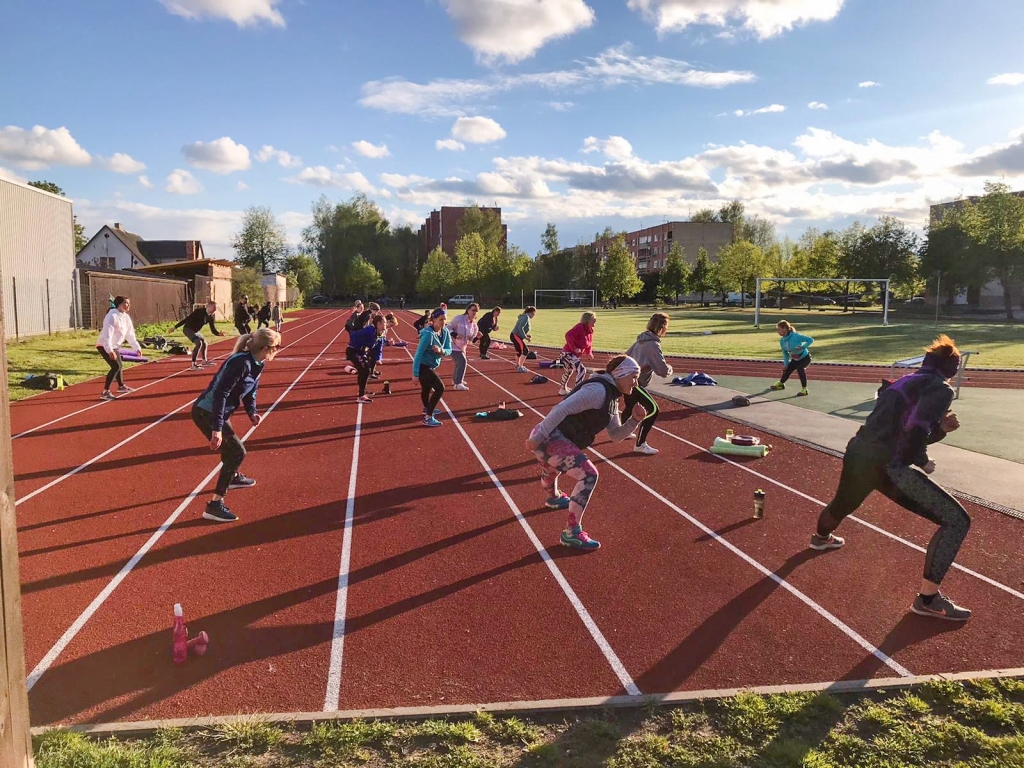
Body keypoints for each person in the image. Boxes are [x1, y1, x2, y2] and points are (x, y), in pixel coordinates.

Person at [810, 335, 972, 621]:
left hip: (858, 452)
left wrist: (941, 430)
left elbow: (898, 428)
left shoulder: (903, 382)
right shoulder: (940, 389)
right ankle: (928, 600)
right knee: (957, 521)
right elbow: (916, 429)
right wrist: (923, 460)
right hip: (889, 466)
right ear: (950, 368)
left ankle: (821, 538)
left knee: (843, 503)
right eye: (956, 367)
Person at [525, 355, 647, 550]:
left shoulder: (611, 397)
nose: (636, 382)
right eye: (633, 376)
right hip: (548, 437)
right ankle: (571, 533)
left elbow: (615, 435)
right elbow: (561, 408)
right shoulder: (598, 391)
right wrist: (538, 438)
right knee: (588, 475)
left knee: (553, 467)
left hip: (550, 439)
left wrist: (634, 420)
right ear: (620, 374)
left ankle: (554, 497)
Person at [191, 327, 281, 522]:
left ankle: (231, 476)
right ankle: (214, 505)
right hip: (206, 412)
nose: (278, 350)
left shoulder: (258, 363)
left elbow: (251, 390)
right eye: (276, 347)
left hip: (219, 413)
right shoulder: (241, 363)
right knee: (237, 452)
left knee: (232, 452)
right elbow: (220, 394)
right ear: (265, 348)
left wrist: (252, 412)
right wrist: (216, 428)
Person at [624, 313, 674, 455]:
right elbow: (662, 371)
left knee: (630, 407)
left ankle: (623, 431)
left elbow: (625, 356)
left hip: (626, 379)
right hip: (635, 382)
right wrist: (669, 368)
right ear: (663, 327)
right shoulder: (652, 344)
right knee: (653, 410)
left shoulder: (641, 339)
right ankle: (640, 444)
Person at [96, 296, 142, 401]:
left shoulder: (126, 317)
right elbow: (107, 334)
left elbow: (130, 334)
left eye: (129, 303)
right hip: (104, 345)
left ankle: (121, 386)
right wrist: (110, 350)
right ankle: (105, 392)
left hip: (115, 346)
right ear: (119, 304)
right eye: (126, 303)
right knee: (116, 366)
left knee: (119, 366)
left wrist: (136, 347)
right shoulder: (112, 316)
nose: (128, 305)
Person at [412, 308, 452, 427]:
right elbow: (418, 354)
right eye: (440, 319)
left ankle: (426, 408)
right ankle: (428, 417)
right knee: (440, 388)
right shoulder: (428, 335)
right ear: (433, 320)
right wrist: (415, 374)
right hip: (423, 366)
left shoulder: (445, 332)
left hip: (431, 365)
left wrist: (441, 351)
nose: (443, 322)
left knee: (426, 388)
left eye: (444, 319)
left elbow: (449, 349)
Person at [173, 301, 225, 370]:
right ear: (208, 307)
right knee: (198, 343)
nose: (215, 309)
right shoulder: (199, 312)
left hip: (196, 331)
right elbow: (186, 319)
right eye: (214, 307)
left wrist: (218, 333)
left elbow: (212, 328)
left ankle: (204, 361)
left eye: (216, 308)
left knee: (204, 343)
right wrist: (175, 327)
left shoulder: (211, 316)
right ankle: (193, 365)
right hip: (188, 329)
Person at [347, 314, 386, 403]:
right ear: (379, 323)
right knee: (365, 370)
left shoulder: (380, 333)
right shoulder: (369, 330)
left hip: (361, 352)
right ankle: (361, 395)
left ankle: (362, 391)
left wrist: (378, 358)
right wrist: (357, 344)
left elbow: (379, 345)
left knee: (364, 371)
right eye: (384, 323)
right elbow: (354, 334)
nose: (386, 324)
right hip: (354, 351)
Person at [770, 320, 814, 396]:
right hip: (795, 359)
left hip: (805, 357)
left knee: (800, 369)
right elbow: (785, 353)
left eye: (779, 329)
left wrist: (803, 347)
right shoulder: (782, 341)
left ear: (784, 329)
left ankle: (804, 389)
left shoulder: (796, 336)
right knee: (787, 370)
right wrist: (786, 364)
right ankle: (781, 384)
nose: (777, 332)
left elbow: (810, 340)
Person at [557, 312, 596, 396]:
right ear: (587, 320)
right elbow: (568, 335)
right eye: (593, 319)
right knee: (582, 370)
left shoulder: (590, 331)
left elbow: (589, 344)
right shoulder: (580, 327)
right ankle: (577, 392)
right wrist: (574, 348)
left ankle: (562, 389)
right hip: (567, 353)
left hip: (573, 355)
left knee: (568, 371)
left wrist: (589, 353)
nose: (595, 321)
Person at [447, 303, 480, 391]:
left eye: (476, 311)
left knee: (459, 363)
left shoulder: (474, 325)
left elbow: (472, 340)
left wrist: (477, 337)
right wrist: (455, 334)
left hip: (462, 347)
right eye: (473, 310)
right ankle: (458, 383)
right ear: (468, 310)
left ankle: (455, 380)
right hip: (452, 344)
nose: (474, 313)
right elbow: (448, 327)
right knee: (462, 362)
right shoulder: (459, 318)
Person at [511, 306, 536, 373]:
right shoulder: (526, 317)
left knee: (519, 351)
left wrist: (526, 335)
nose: (534, 316)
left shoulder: (524, 317)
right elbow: (520, 327)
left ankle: (517, 365)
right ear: (530, 312)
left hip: (515, 335)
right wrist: (525, 337)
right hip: (515, 335)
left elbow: (520, 328)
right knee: (525, 350)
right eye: (533, 314)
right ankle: (520, 367)